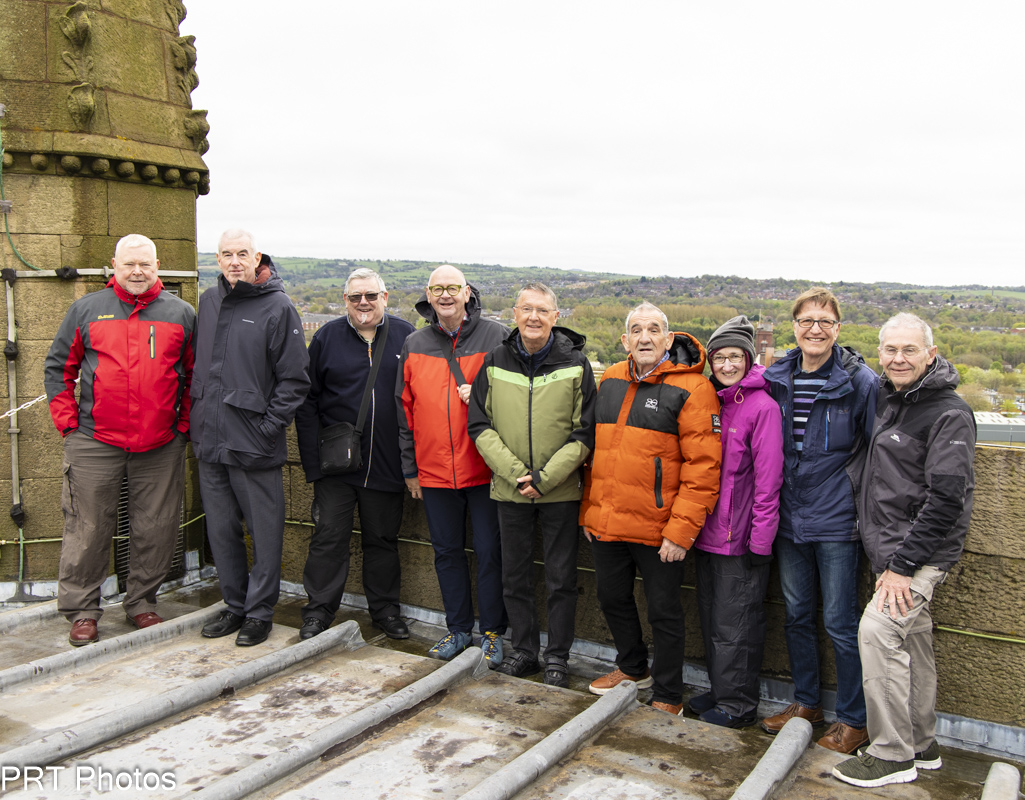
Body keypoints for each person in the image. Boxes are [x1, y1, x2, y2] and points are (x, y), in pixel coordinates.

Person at [833, 313, 975, 788]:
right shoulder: (890, 398)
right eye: (890, 350)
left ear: (930, 354)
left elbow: (947, 498)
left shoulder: (949, 412)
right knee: (913, 640)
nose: (898, 358)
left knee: (877, 632)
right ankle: (921, 743)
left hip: (917, 555)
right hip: (892, 549)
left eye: (909, 350)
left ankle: (892, 754)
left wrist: (903, 566)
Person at [44, 234, 195, 646]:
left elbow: (195, 376)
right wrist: (68, 424)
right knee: (87, 527)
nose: (137, 272)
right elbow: (58, 368)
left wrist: (182, 427)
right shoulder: (87, 309)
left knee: (157, 527)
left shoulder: (181, 314)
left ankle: (142, 602)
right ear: (115, 265)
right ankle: (82, 610)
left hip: (160, 443)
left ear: (157, 266)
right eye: (129, 264)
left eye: (145, 264)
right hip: (95, 439)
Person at [581, 302, 721, 714]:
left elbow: (703, 468)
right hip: (607, 520)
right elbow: (597, 455)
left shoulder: (694, 389)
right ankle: (632, 668)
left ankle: (668, 694)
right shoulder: (610, 378)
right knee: (611, 598)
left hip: (660, 527)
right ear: (625, 340)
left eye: (654, 329)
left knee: (664, 612)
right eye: (637, 330)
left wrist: (681, 531)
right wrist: (590, 509)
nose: (645, 337)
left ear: (668, 338)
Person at [762, 287, 878, 753]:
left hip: (837, 521)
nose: (815, 329)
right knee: (796, 615)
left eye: (825, 322)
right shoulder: (776, 376)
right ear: (794, 326)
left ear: (838, 329)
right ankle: (807, 704)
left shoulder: (860, 382)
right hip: (789, 518)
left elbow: (877, 451)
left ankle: (854, 720)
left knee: (840, 622)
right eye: (807, 321)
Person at [467, 282, 596, 686]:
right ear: (515, 314)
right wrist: (516, 473)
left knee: (561, 579)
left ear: (556, 317)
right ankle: (524, 651)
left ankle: (557, 656)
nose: (534, 317)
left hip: (560, 492)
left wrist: (544, 479)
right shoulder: (495, 360)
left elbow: (584, 433)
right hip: (510, 490)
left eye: (542, 310)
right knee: (514, 577)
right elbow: (479, 425)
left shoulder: (577, 364)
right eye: (526, 309)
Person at [191, 229, 310, 647]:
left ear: (257, 258)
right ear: (217, 259)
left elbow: (295, 380)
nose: (234, 261)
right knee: (221, 531)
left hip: (254, 443)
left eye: (243, 253)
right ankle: (234, 605)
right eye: (227, 254)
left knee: (265, 533)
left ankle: (259, 613)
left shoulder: (278, 306)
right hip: (210, 441)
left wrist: (267, 428)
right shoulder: (209, 301)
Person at [294, 268, 415, 641]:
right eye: (355, 297)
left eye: (371, 295)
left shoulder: (407, 336)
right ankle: (318, 612)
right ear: (345, 300)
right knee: (328, 539)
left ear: (385, 298)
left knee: (382, 541)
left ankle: (385, 612)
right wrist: (314, 466)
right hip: (336, 467)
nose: (364, 303)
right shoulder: (327, 337)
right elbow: (307, 403)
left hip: (387, 463)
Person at [397, 264, 509, 665]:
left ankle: (493, 632)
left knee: (491, 552)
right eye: (437, 288)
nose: (445, 295)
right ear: (428, 296)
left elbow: (517, 396)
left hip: (484, 468)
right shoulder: (414, 343)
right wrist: (410, 470)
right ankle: (458, 629)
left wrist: (480, 395)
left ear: (467, 293)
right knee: (446, 553)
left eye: (453, 288)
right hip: (434, 472)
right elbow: (404, 411)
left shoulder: (496, 336)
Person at [690, 315, 783, 727]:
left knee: (736, 625)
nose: (727, 365)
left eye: (735, 357)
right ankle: (720, 689)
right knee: (713, 619)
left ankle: (738, 705)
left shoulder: (762, 408)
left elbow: (768, 481)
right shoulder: (714, 401)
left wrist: (760, 541)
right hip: (708, 532)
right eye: (719, 358)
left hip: (740, 539)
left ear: (748, 359)